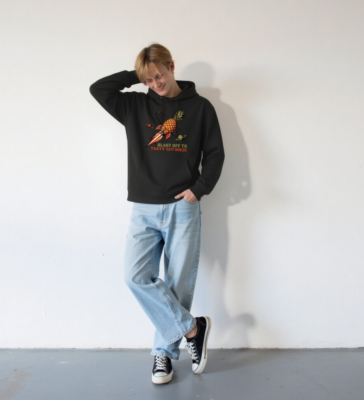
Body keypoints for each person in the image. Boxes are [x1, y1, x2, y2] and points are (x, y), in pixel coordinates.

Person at [89, 42, 225, 384]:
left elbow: (215, 154)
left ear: (172, 66)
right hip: (144, 207)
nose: (156, 84)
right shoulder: (134, 105)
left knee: (178, 285)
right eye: (148, 80)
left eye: (159, 76)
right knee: (135, 276)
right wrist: (137, 75)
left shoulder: (201, 108)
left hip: (183, 206)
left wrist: (199, 188)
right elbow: (99, 89)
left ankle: (163, 353)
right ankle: (193, 329)